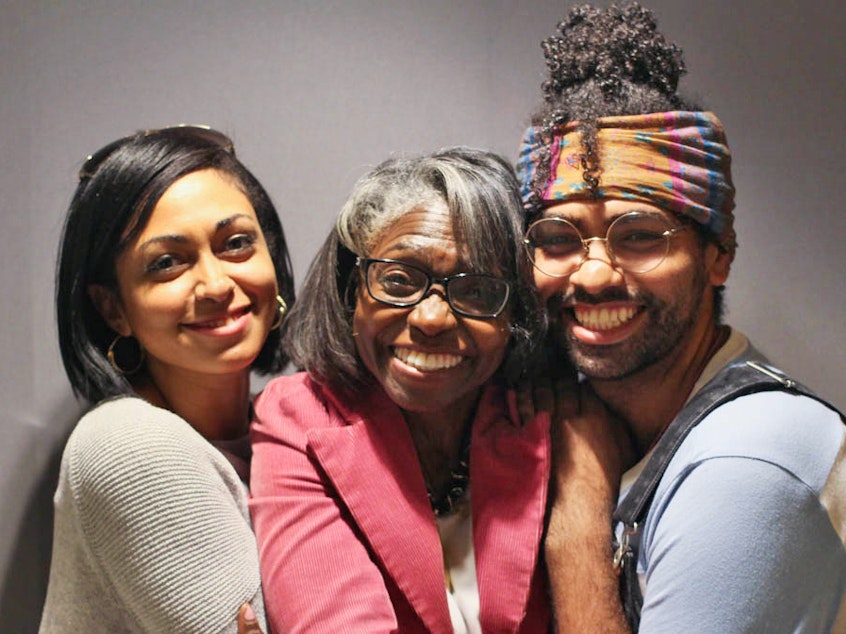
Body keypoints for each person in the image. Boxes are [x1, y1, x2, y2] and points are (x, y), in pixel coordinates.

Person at [516, 4, 846, 632]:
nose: (592, 274)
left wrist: (578, 522)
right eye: (557, 238)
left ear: (717, 256)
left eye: (639, 235)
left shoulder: (747, 465)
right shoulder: (622, 425)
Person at [249, 147, 551, 633]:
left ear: (517, 315)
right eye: (398, 280)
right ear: (353, 291)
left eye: (477, 291)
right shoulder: (299, 421)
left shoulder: (545, 414)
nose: (431, 318)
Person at [40, 125, 294, 633]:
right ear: (113, 309)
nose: (217, 285)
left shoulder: (293, 431)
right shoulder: (129, 446)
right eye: (167, 263)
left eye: (237, 243)